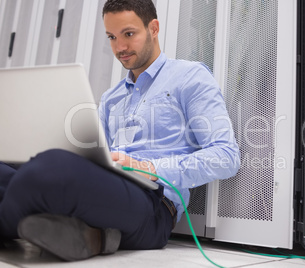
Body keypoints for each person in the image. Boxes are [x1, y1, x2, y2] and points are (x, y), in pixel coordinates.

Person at [0, 0, 240, 261]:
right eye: (112, 37)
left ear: (154, 28)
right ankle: (53, 221)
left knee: (49, 169)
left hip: (154, 207)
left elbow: (226, 157)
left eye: (128, 34)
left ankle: (27, 217)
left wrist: (149, 168)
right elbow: (94, 157)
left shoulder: (190, 77)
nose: (120, 47)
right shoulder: (111, 97)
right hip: (109, 190)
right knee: (10, 168)